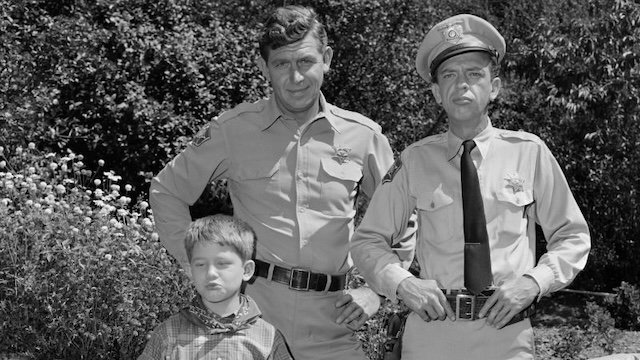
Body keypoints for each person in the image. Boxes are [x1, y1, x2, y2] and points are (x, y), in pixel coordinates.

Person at [149, 5, 414, 359]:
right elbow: (167, 190)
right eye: (281, 64)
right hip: (249, 321)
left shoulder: (363, 136)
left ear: (327, 59)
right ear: (264, 68)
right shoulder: (233, 130)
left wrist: (378, 291)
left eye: (305, 61)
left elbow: (404, 214)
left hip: (333, 325)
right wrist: (198, 264)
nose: (296, 77)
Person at [350, 14, 591, 359]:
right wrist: (403, 284)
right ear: (436, 93)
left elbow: (572, 236)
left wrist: (535, 282)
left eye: (474, 74)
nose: (461, 84)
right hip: (433, 333)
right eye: (449, 75)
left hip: (506, 336)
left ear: (494, 87)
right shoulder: (415, 160)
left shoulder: (529, 152)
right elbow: (367, 242)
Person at [138, 214, 293, 359]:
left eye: (222, 264)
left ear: (246, 270)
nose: (211, 273)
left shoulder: (267, 338)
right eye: (200, 264)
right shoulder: (168, 334)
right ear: (190, 271)